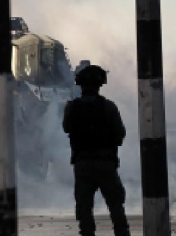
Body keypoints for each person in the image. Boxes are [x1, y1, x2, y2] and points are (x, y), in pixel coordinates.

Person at [62, 65, 131, 236]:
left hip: (82, 163)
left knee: (84, 209)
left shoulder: (72, 107)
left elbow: (66, 128)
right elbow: (120, 135)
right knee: (116, 206)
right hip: (105, 162)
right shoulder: (109, 107)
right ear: (100, 84)